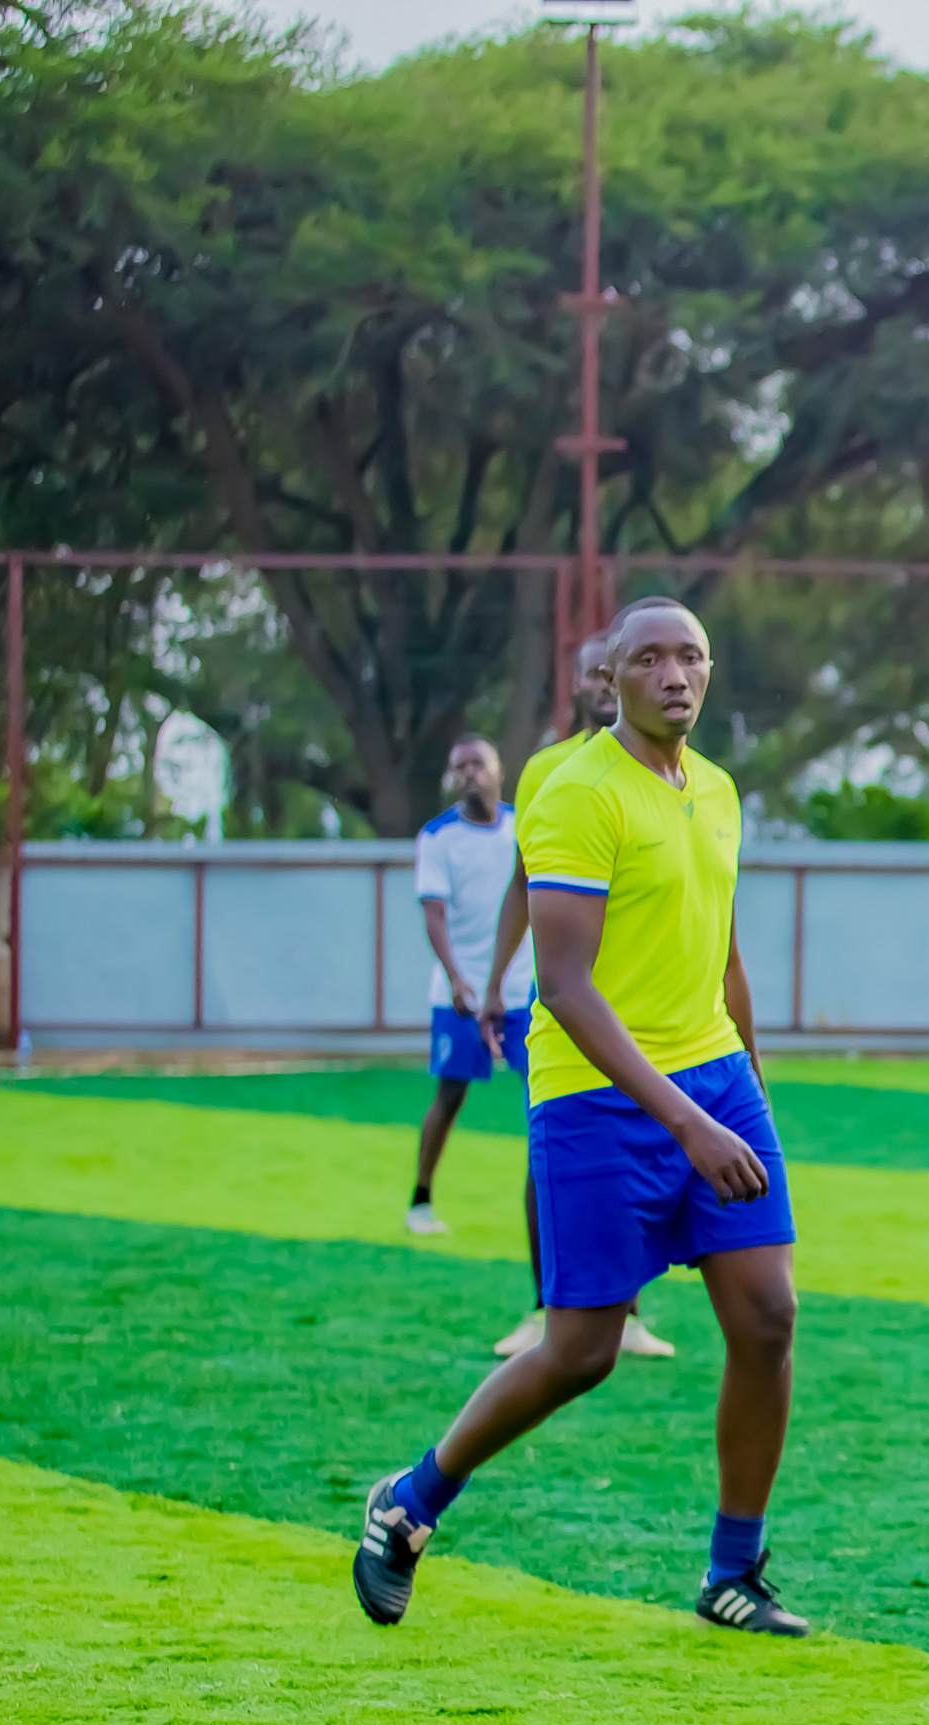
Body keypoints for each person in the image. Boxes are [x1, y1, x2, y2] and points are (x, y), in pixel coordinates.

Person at [352, 600, 808, 1639]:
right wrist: (688, 1124)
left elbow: (724, 950)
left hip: (715, 1077)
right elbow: (562, 985)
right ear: (608, 679)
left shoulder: (719, 791)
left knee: (768, 1320)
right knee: (581, 1352)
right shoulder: (573, 793)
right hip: (597, 1097)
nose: (675, 675)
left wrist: (750, 1085)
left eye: (692, 655)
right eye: (649, 659)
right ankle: (411, 1500)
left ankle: (732, 1572)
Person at [477, 622, 671, 1361]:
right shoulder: (548, 772)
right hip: (565, 1002)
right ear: (584, 684)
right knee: (551, 1151)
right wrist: (495, 981)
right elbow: (524, 880)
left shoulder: (678, 774)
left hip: (650, 1002)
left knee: (645, 1148)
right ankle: (543, 1307)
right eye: (592, 672)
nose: (602, 683)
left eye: (609, 669)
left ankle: (630, 1312)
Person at [406, 736, 537, 1239]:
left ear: (499, 769)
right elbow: (434, 916)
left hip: (522, 989)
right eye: (459, 767)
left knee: (542, 1093)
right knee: (451, 1094)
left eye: (477, 763)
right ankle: (421, 1198)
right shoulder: (438, 838)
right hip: (460, 994)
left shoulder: (525, 825)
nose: (469, 773)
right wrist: (458, 979)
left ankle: (547, 1201)